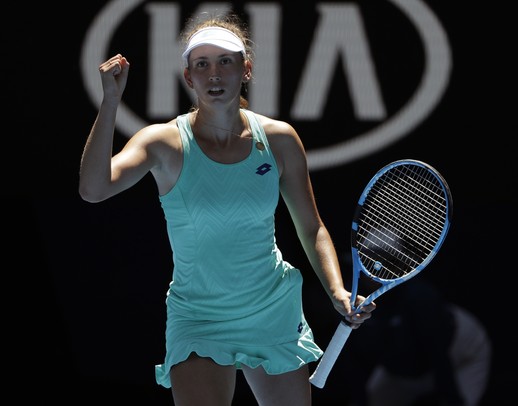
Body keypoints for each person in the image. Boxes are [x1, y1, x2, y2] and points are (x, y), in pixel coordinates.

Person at [79, 11, 376, 405]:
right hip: (199, 317)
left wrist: (336, 290)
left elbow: (311, 227)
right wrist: (111, 102)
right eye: (201, 64)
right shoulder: (162, 143)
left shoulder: (280, 140)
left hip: (271, 307)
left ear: (245, 69)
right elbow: (94, 189)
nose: (214, 74)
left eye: (225, 62)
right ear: (189, 77)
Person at [340, 275, 491, 406]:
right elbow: (352, 361)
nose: (373, 270)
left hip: (460, 353)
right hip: (402, 367)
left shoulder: (418, 296)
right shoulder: (348, 299)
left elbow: (438, 356)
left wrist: (453, 401)